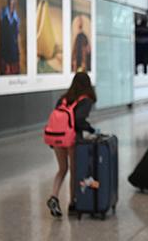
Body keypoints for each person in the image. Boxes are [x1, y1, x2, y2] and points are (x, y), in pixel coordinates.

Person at [47, 72, 97, 217]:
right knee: (75, 170)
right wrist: (90, 128)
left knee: (62, 169)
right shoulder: (86, 100)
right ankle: (73, 203)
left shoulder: (63, 98)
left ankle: (54, 196)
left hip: (57, 137)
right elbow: (79, 120)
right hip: (72, 138)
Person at [0, 0, 21, 74]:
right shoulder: (2, 13)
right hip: (4, 55)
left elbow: (17, 37)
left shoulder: (17, 18)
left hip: (14, 55)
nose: (11, 1)